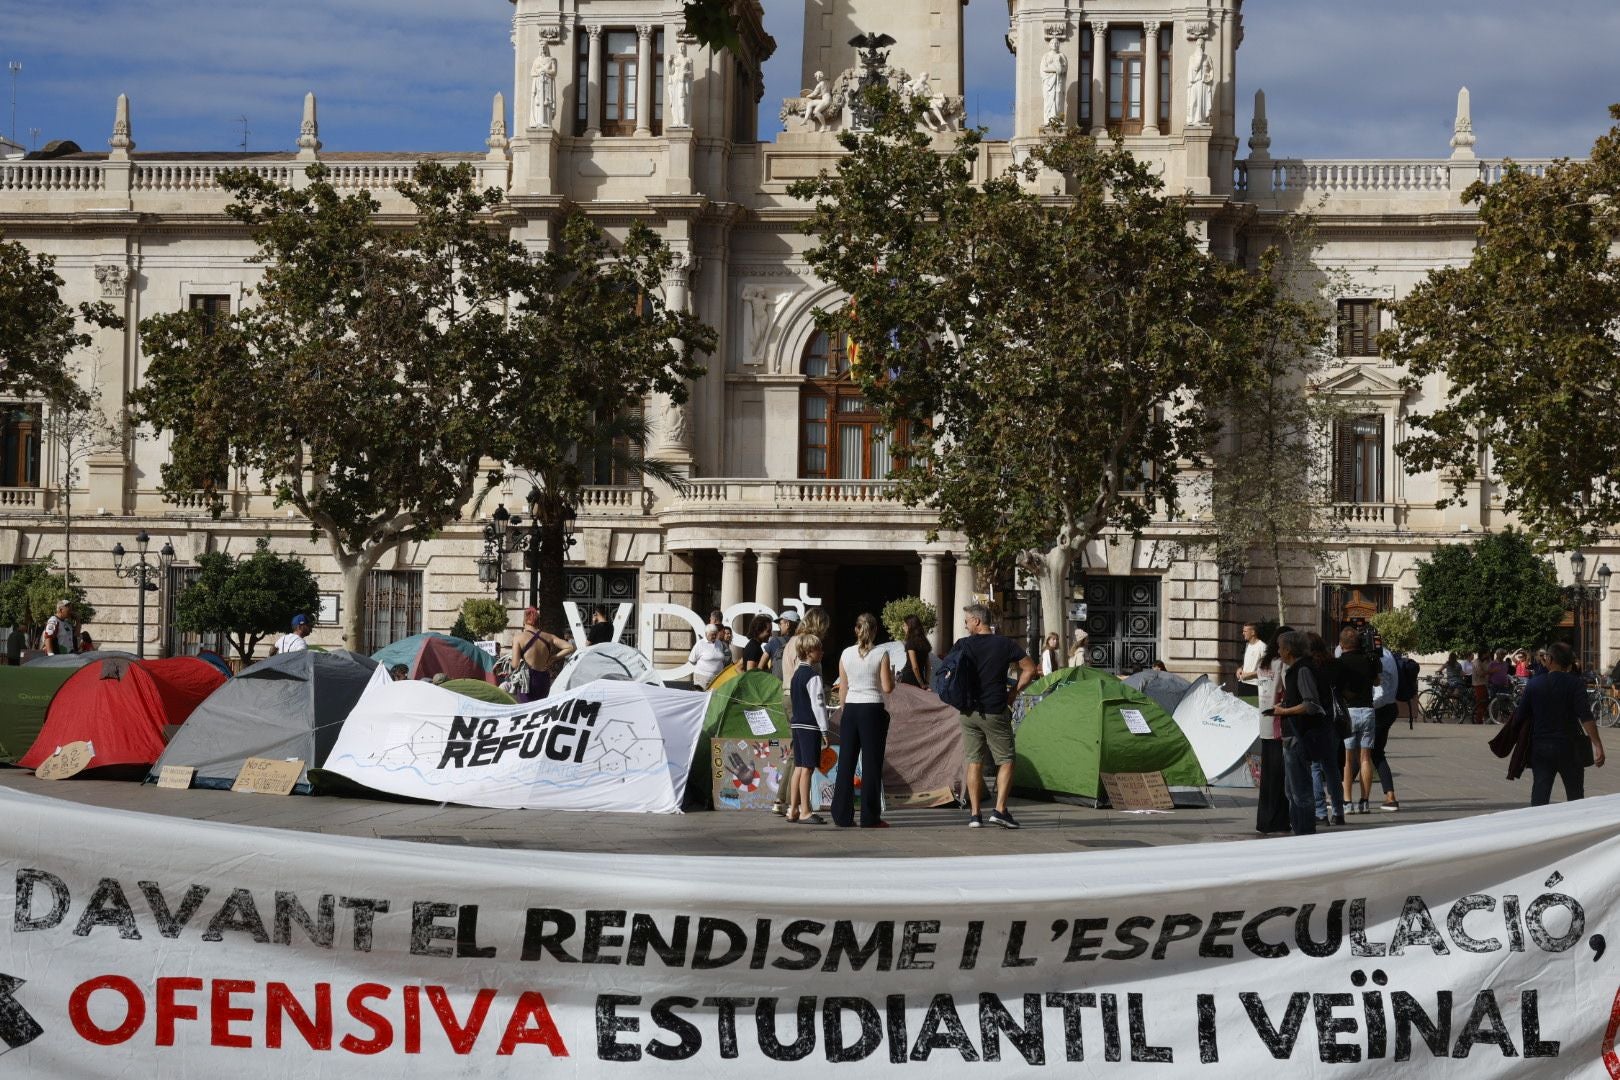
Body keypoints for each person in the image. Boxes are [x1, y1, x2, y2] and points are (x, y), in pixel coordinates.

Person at [953, 603, 1038, 829]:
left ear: (978, 621)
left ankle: (974, 815)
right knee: (1007, 759)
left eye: (967, 620)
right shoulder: (1005, 644)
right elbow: (1030, 669)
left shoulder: (962, 645)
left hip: (968, 711)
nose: (965, 624)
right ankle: (1000, 810)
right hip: (994, 709)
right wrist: (1013, 692)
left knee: (974, 761)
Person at [1513, 641, 1606, 805]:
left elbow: (1520, 715)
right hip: (1569, 746)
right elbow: (1586, 716)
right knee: (1575, 795)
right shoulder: (1575, 684)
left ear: (1549, 659)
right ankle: (1578, 828)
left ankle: (1538, 828)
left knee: (1540, 795)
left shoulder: (1534, 684)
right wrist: (1597, 744)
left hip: (1541, 746)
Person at [831, 613, 895, 829]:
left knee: (846, 762)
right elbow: (887, 687)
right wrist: (892, 676)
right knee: (871, 763)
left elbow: (843, 688)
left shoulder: (846, 654)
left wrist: (844, 708)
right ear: (875, 630)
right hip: (872, 707)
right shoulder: (881, 653)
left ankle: (841, 814)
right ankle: (869, 816)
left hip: (850, 708)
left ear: (856, 630)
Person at [1272, 630, 1336, 836]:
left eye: (1280, 648)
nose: (1278, 651)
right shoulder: (1297, 669)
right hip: (1293, 733)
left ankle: (1305, 833)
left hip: (1300, 736)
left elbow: (1311, 704)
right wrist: (1286, 704)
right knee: (1291, 790)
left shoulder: (1303, 670)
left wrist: (1284, 711)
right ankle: (1298, 829)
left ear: (1289, 650)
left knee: (1300, 791)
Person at [785, 633, 829, 825]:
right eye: (819, 649)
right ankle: (805, 810)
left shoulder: (795, 676)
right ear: (810, 652)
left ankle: (793, 809)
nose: (822, 652)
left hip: (796, 723)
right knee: (808, 769)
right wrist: (824, 729)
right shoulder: (813, 676)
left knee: (799, 767)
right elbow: (818, 705)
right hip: (809, 725)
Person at [1336, 626, 1379, 814]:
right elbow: (1377, 681)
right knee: (1365, 758)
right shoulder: (1368, 660)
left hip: (1349, 712)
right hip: (1368, 710)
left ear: (1341, 644)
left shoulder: (1340, 662)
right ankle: (1365, 801)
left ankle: (1347, 801)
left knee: (1347, 759)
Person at [1254, 625, 1293, 834]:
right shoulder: (1281, 664)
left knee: (1268, 777)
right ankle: (1278, 819)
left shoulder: (1263, 663)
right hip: (1278, 722)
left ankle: (1264, 820)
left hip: (1264, 723)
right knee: (1280, 777)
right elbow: (1287, 689)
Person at [1306, 632, 1347, 826]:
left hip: (1316, 718)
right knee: (1332, 767)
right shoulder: (1336, 664)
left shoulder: (1309, 667)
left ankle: (1321, 812)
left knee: (1315, 767)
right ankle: (1338, 811)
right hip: (1333, 719)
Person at [511, 607, 573, 703]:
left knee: (526, 711)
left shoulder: (518, 638)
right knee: (540, 710)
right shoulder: (549, 636)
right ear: (538, 621)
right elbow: (570, 647)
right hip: (544, 678)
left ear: (524, 620)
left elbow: (515, 665)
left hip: (528, 680)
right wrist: (554, 657)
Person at [1371, 632, 1401, 810]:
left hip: (1379, 710)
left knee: (1363, 754)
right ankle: (1390, 795)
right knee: (1375, 753)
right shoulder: (1388, 653)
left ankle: (1341, 796)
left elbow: (1381, 691)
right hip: (1390, 708)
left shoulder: (1378, 658)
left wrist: (1368, 706)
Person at [687, 625, 730, 690]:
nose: (714, 636)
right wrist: (705, 666)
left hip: (717, 678)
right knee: (702, 697)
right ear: (706, 634)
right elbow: (692, 660)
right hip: (702, 678)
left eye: (715, 634)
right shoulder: (700, 644)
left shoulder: (719, 643)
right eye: (712, 635)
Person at [898, 615, 932, 688]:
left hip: (909, 680)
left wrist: (922, 684)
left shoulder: (911, 643)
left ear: (910, 627)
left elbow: (914, 667)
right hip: (920, 678)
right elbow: (928, 666)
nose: (903, 628)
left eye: (904, 625)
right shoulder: (924, 643)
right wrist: (926, 682)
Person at [1235, 622, 1265, 697]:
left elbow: (1267, 670)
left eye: (1245, 631)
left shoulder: (1262, 646)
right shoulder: (1247, 645)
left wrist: (1249, 675)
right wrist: (1240, 668)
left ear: (1253, 632)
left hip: (1255, 686)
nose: (1243, 633)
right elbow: (1248, 663)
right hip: (1243, 683)